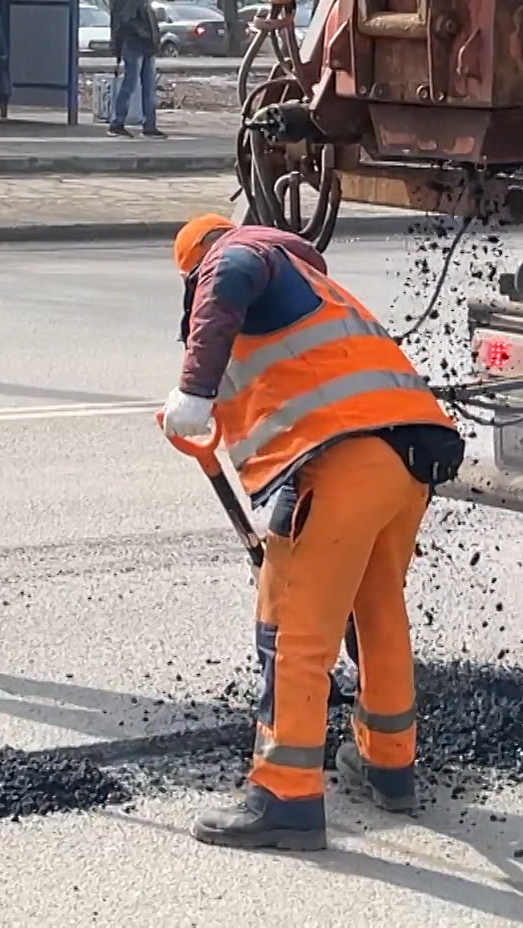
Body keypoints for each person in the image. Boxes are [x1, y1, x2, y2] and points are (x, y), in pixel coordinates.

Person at [161, 214, 465, 851]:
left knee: (295, 630)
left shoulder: (236, 256)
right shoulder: (317, 291)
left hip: (344, 463)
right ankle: (388, 763)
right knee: (377, 608)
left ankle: (285, 797)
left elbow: (232, 271)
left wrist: (193, 388)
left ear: (194, 271)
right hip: (410, 457)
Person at [108, 0, 165, 139]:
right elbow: (127, 21)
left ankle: (149, 126)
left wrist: (153, 40)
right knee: (130, 85)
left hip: (146, 48)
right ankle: (117, 123)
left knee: (148, 87)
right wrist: (146, 36)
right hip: (134, 47)